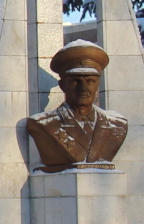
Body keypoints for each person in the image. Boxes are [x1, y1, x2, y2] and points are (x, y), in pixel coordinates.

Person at [24, 41, 129, 172]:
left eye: (90, 81)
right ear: (62, 85)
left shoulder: (118, 124)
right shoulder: (42, 124)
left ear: (98, 84)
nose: (83, 88)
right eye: (75, 81)